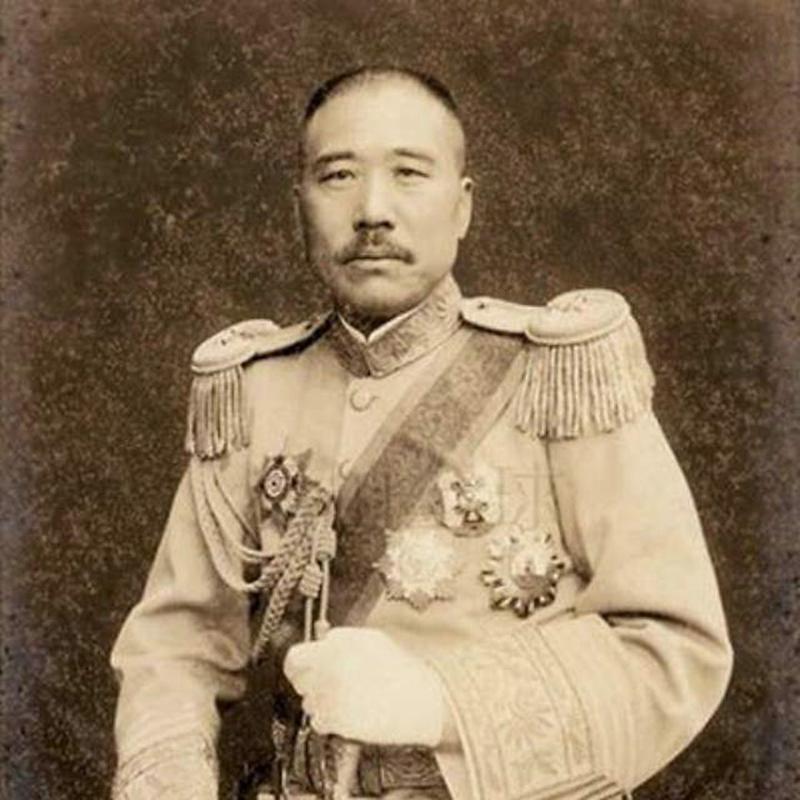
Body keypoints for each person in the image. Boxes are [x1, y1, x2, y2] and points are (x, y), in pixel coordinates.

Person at [110, 66, 733, 800]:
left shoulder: (563, 379)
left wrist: (438, 702)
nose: (373, 210)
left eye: (409, 173)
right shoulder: (253, 391)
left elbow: (675, 651)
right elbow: (174, 647)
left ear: (462, 206)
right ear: (299, 203)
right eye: (338, 176)